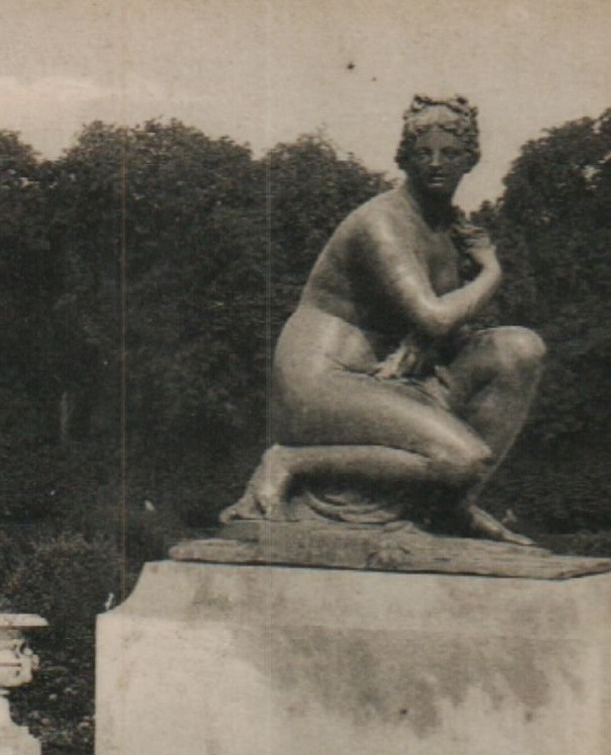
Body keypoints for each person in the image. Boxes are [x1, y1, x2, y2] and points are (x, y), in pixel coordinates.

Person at [221, 95, 543, 544]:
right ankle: (290, 462)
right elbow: (434, 318)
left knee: (519, 350)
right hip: (320, 382)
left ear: (470, 160)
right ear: (404, 158)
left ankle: (450, 509)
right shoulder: (382, 222)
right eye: (422, 153)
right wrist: (493, 270)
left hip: (383, 380)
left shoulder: (445, 229)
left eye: (449, 153)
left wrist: (423, 348)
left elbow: (444, 331)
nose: (435, 163)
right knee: (463, 460)